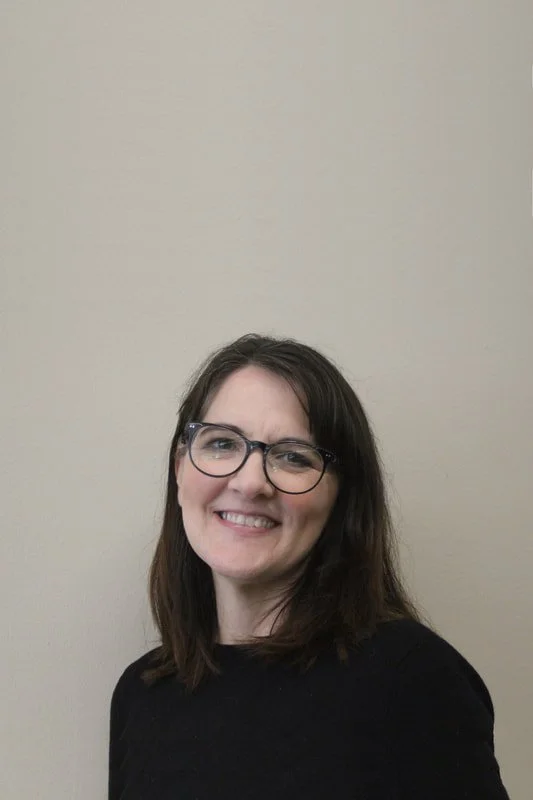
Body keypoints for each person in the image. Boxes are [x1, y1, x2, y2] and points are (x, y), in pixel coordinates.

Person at [108, 333, 510, 799]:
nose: (250, 481)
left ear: (341, 497)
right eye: (221, 444)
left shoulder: (411, 678)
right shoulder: (142, 695)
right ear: (180, 467)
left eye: (293, 457)